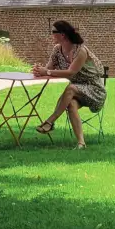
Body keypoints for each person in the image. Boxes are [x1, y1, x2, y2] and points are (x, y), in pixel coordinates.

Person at [32, 19, 107, 148]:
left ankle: (50, 121)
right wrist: (39, 71)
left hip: (95, 91)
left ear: (63, 35)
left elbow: (71, 72)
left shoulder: (80, 51)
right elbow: (49, 68)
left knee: (70, 88)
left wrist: (48, 72)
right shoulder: (57, 50)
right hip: (78, 92)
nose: (51, 35)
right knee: (71, 104)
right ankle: (81, 143)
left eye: (53, 32)